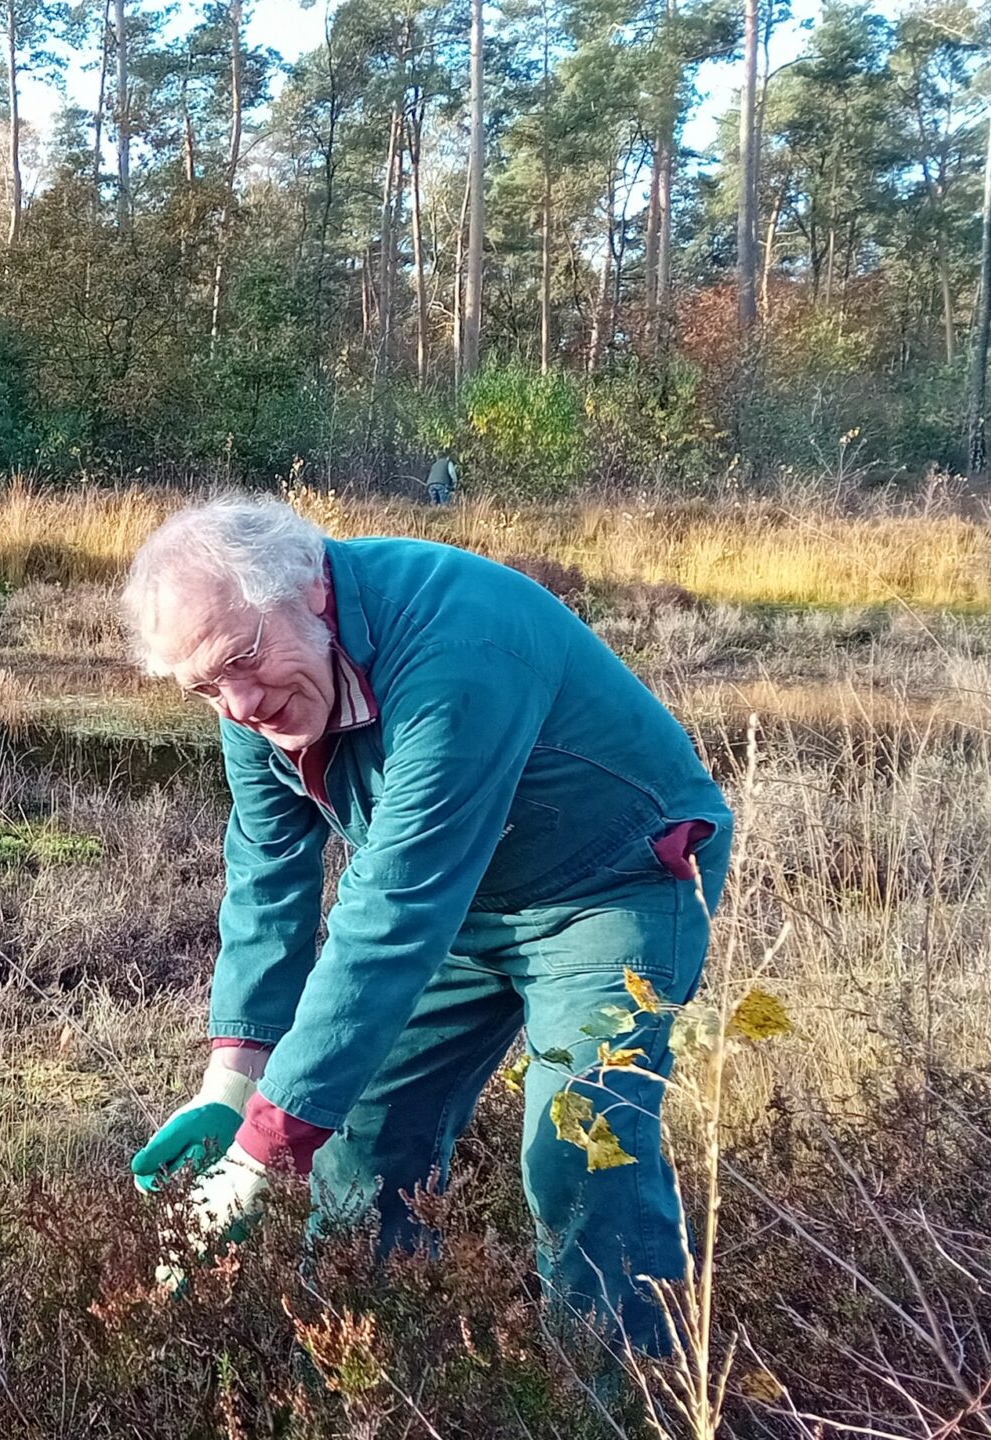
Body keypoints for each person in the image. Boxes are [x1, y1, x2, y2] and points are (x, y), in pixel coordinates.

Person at [121, 495, 730, 1354]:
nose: (242, 703)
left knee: (579, 1149)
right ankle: (373, 1390)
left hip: (611, 884)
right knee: (358, 1134)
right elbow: (267, 877)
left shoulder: (458, 647)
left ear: (313, 592)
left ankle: (618, 1405)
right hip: (463, 899)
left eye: (245, 661)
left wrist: (259, 1152)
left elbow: (396, 907)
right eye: (205, 686)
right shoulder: (244, 689)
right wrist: (235, 1079)